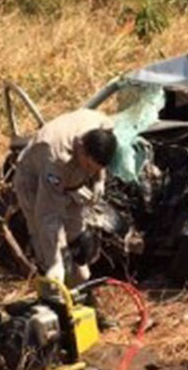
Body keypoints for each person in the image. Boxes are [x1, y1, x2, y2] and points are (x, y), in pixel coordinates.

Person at [13, 109, 118, 284]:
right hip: (34, 181)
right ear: (81, 148)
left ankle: (77, 282)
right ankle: (53, 292)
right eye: (89, 166)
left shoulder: (102, 127)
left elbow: (96, 160)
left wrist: (99, 179)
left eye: (96, 169)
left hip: (71, 181)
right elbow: (47, 214)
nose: (91, 172)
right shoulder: (56, 159)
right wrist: (55, 262)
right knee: (46, 242)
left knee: (77, 234)